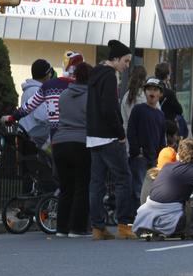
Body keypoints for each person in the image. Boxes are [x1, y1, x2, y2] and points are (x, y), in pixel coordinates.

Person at [87, 39, 137, 240]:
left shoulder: (95, 75)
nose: (127, 66)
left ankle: (98, 227)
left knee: (97, 183)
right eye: (125, 61)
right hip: (108, 136)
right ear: (115, 59)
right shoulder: (109, 76)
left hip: (93, 136)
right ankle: (124, 224)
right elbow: (110, 108)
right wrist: (120, 133)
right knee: (124, 179)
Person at [7, 52, 84, 146]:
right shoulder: (38, 90)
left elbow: (26, 109)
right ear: (47, 75)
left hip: (29, 136)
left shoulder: (30, 89)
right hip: (35, 140)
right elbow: (43, 116)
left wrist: (12, 118)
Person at [52, 61, 93, 238]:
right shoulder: (92, 96)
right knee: (82, 186)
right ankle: (77, 228)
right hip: (81, 142)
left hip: (60, 143)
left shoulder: (64, 95)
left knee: (66, 187)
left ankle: (61, 228)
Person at [126, 77, 167, 208]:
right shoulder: (138, 109)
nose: (152, 92)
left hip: (154, 159)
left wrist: (161, 157)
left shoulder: (160, 115)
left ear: (160, 94)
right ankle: (135, 217)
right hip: (140, 157)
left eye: (155, 89)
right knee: (138, 189)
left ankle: (147, 218)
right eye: (149, 89)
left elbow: (162, 138)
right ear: (144, 92)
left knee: (152, 191)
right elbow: (131, 131)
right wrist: (136, 151)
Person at [19, 58, 54, 147]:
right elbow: (43, 116)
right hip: (36, 142)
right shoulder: (37, 91)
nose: (50, 75)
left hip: (26, 138)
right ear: (45, 75)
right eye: (49, 72)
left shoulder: (28, 90)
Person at [155, 62, 187, 137]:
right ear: (167, 75)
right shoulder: (168, 92)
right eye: (170, 73)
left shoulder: (151, 88)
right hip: (167, 126)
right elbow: (179, 110)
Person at [120, 64, 147, 131]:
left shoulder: (126, 96)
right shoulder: (146, 95)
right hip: (144, 135)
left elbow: (124, 120)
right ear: (144, 78)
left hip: (129, 135)